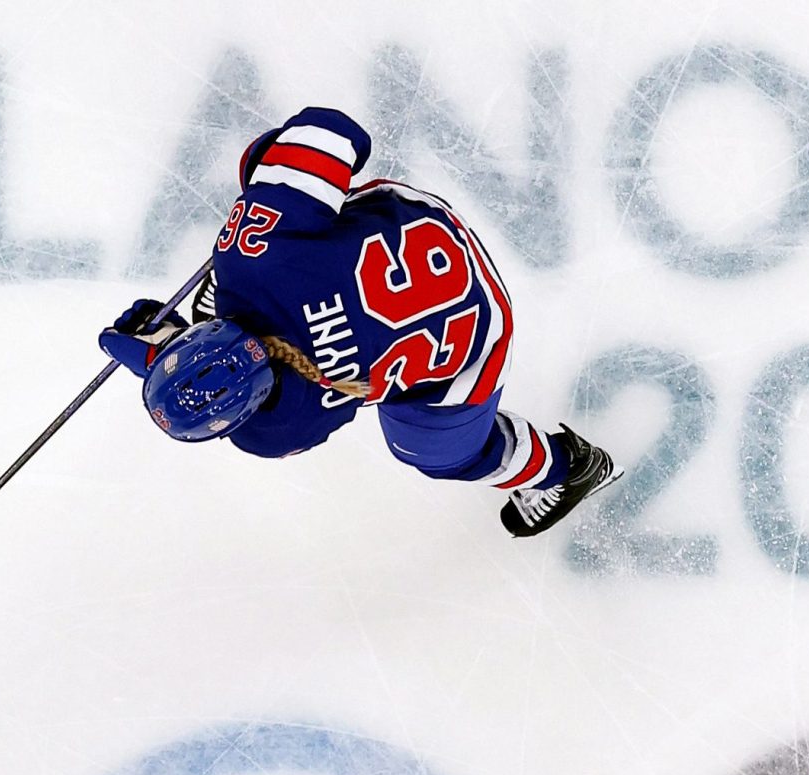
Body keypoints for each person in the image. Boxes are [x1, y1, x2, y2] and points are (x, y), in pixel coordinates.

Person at [96, 106, 614, 538]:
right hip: (425, 225)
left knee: (436, 452)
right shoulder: (252, 254)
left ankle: (565, 469)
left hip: (474, 336)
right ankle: (286, 196)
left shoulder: (277, 429)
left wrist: (158, 357)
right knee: (268, 169)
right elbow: (334, 130)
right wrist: (269, 178)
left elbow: (251, 404)